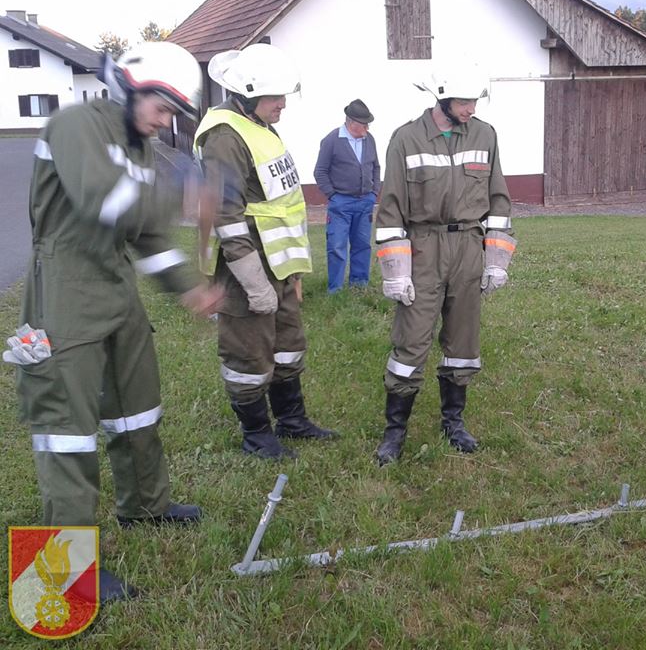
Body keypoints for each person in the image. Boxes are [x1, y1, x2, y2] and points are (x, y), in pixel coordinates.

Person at [10, 42, 223, 601]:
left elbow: (144, 235)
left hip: (116, 289)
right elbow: (105, 202)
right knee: (68, 432)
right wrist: (182, 193)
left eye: (173, 113)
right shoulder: (75, 125)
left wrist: (189, 288)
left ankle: (146, 506)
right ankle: (63, 574)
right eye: (160, 107)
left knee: (137, 408)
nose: (164, 121)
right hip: (65, 294)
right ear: (129, 86)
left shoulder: (139, 146)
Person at [195, 43, 336, 460]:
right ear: (248, 93)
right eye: (276, 96)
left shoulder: (258, 124)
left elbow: (279, 203)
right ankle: (256, 436)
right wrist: (254, 284)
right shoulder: (225, 137)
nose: (283, 104)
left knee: (288, 345)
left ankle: (292, 420)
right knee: (248, 353)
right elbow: (227, 217)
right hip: (246, 266)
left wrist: (292, 272)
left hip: (277, 264)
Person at [373, 69, 516, 466]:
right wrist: (396, 271)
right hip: (423, 248)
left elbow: (498, 200)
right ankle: (394, 432)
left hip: (468, 246)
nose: (471, 109)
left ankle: (454, 422)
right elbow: (390, 209)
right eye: (463, 101)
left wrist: (496, 260)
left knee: (463, 342)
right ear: (441, 98)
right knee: (412, 340)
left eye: (475, 101)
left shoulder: (485, 135)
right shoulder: (406, 138)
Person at [313, 99, 381, 292]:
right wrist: (332, 195)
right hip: (340, 203)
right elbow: (320, 171)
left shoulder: (369, 139)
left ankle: (359, 286)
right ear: (352, 123)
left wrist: (374, 192)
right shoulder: (332, 140)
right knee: (336, 246)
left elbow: (376, 167)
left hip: (365, 201)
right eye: (364, 124)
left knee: (362, 245)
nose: (367, 128)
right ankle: (335, 289)